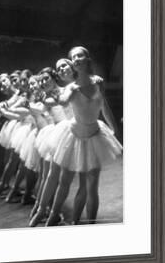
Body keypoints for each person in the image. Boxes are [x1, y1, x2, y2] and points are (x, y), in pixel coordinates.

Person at [30, 47, 122, 227]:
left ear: (87, 58)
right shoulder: (71, 87)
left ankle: (90, 224)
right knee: (61, 179)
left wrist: (114, 129)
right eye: (73, 57)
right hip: (74, 136)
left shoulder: (98, 82)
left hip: (95, 134)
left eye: (80, 55)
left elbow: (104, 107)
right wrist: (43, 95)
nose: (77, 58)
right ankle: (49, 216)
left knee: (92, 186)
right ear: (72, 62)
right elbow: (62, 101)